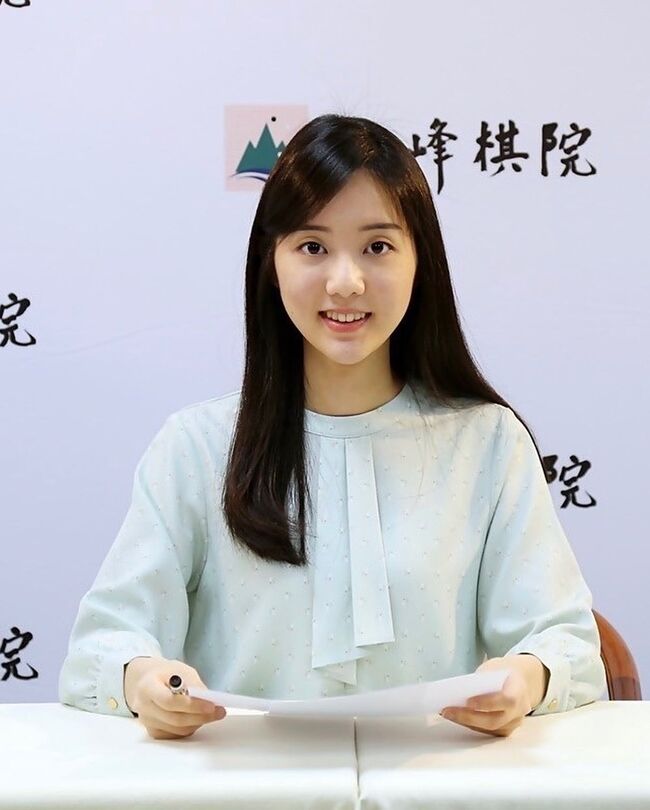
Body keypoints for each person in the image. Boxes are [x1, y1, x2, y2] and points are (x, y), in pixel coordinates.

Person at [59, 113, 607, 740]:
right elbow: (106, 641)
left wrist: (527, 678)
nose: (346, 282)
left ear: (420, 262)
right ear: (272, 263)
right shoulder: (197, 447)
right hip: (238, 781)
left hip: (432, 778)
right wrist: (143, 681)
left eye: (377, 247)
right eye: (313, 247)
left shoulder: (486, 442)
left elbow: (563, 639)